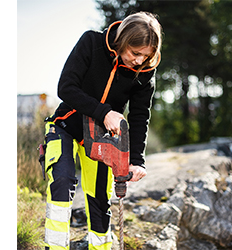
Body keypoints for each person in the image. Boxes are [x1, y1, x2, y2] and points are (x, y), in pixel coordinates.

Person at [42, 12, 158, 250]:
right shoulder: (92, 43)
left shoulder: (144, 72)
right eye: (135, 53)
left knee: (99, 199)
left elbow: (139, 117)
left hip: (101, 139)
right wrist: (104, 112)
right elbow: (66, 87)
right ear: (122, 40)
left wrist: (136, 161)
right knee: (62, 181)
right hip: (65, 126)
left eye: (145, 57)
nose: (139, 61)